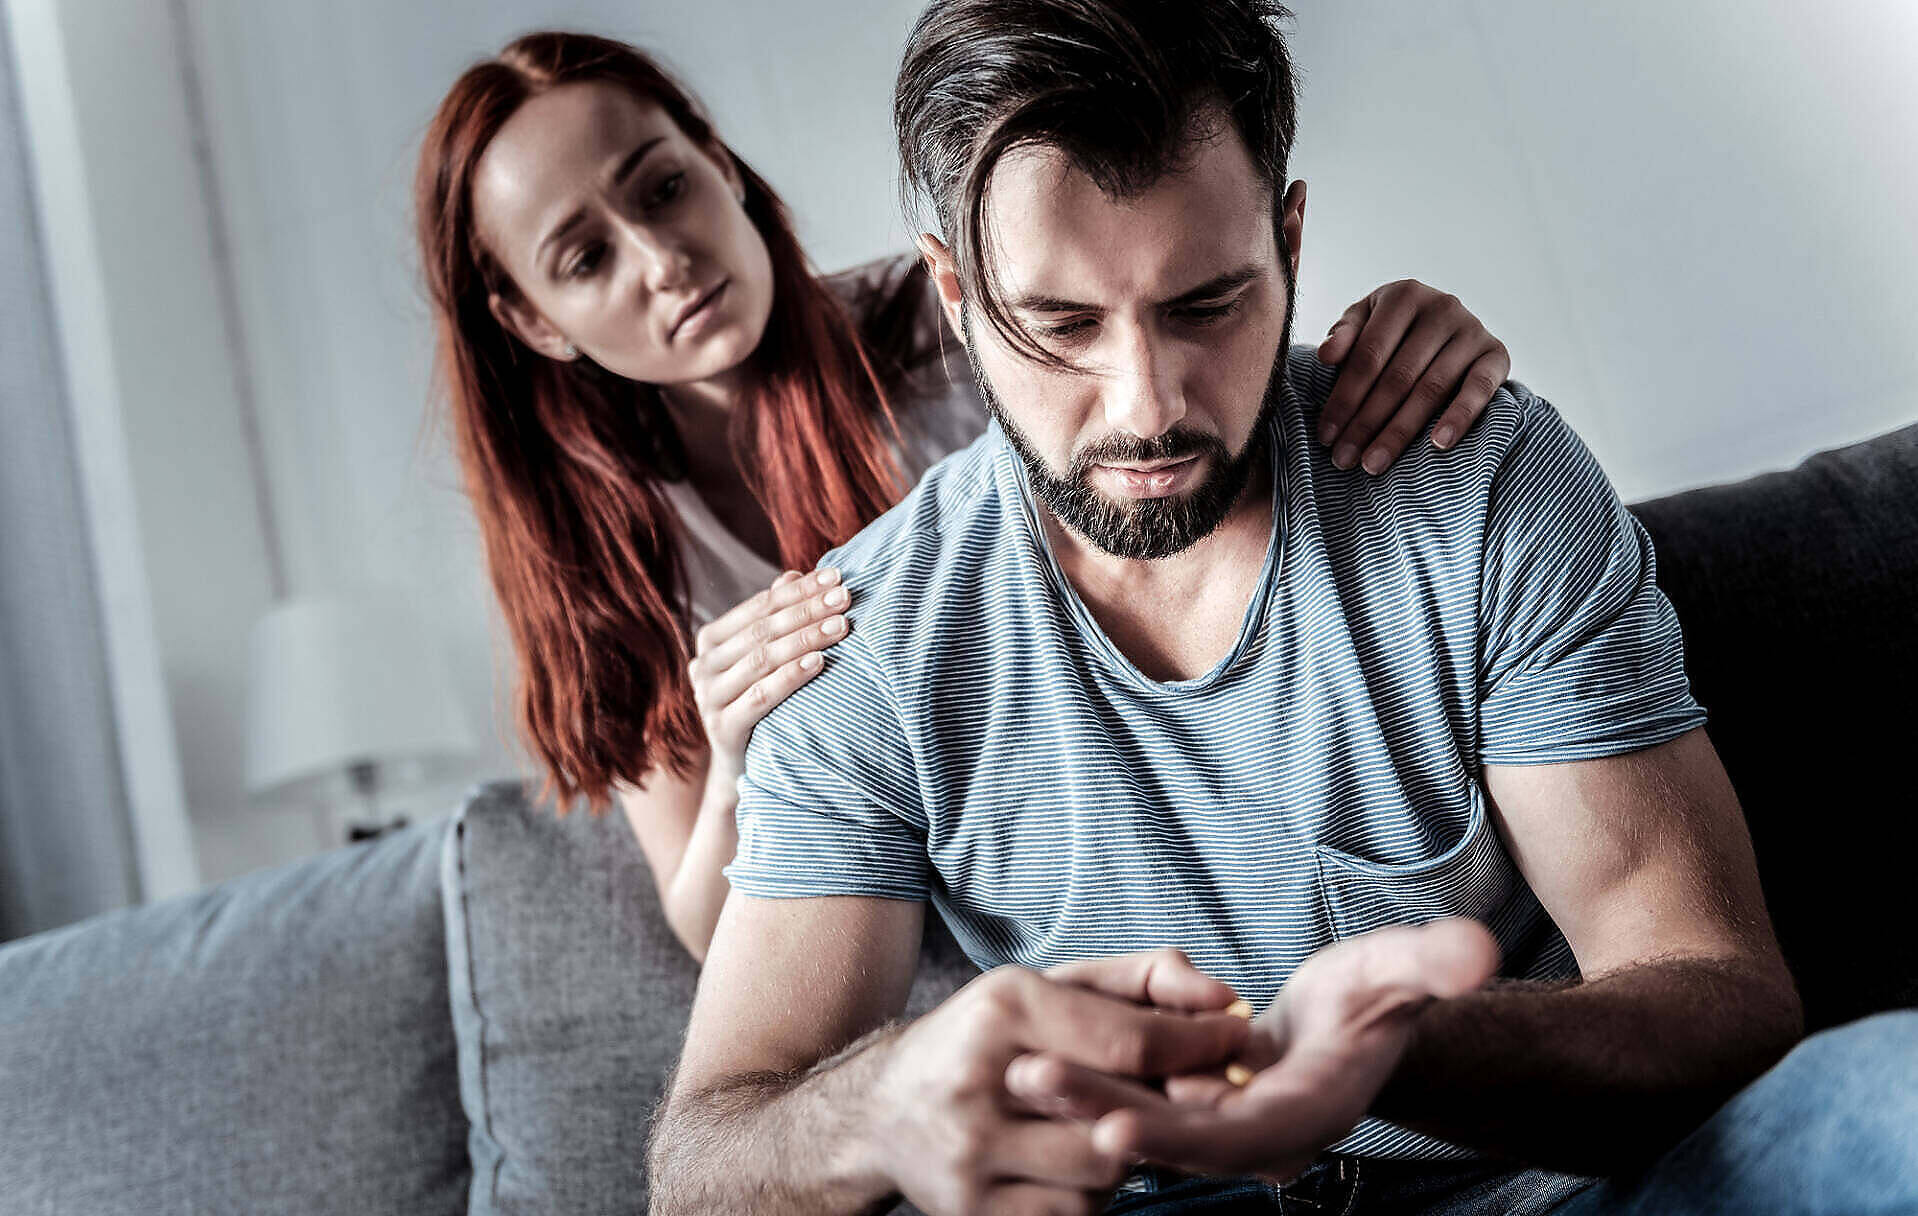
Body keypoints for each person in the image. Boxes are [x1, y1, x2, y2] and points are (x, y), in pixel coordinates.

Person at [475, 1, 1918, 1216]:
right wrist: (889, 1097)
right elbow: (706, 1164)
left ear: (1288, 240)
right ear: (957, 302)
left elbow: (1721, 995)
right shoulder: (860, 642)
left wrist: (1389, 1056)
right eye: (1057, 324)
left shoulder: (1474, 478)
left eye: (1206, 301)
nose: (1145, 401)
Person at [416, 30, 1518, 961]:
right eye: (583, 257)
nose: (662, 258)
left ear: (719, 161)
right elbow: (713, 928)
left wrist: (1395, 346)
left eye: (664, 187)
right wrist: (741, 759)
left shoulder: (965, 317)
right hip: (956, 974)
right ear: (532, 322)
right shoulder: (603, 561)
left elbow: (1209, 361)